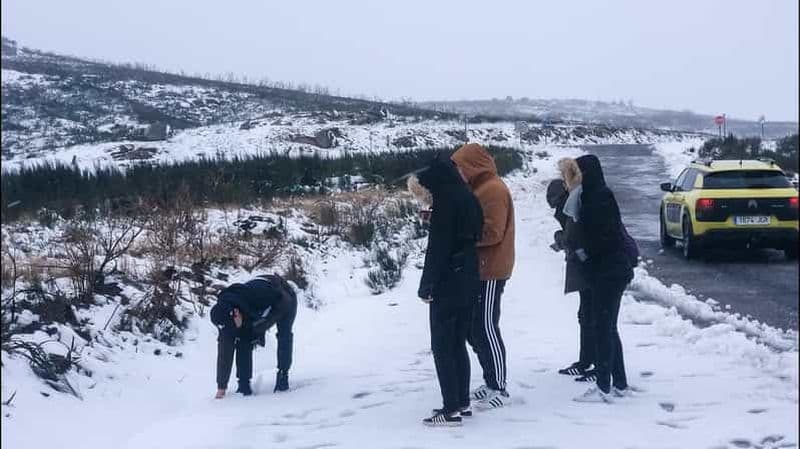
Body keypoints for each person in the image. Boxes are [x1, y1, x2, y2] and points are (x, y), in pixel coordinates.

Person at [408, 153, 483, 427]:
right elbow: (469, 234)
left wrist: (426, 285)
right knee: (458, 343)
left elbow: (437, 250)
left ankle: (450, 408)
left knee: (443, 346)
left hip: (448, 281)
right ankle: (462, 402)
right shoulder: (467, 196)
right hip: (470, 276)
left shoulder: (445, 202)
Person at [451, 143, 515, 409]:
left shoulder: (493, 190)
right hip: (480, 267)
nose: (458, 173)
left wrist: (459, 233)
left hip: (490, 269)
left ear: (472, 165)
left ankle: (499, 386)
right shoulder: (479, 188)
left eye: (460, 167)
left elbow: (492, 232)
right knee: (474, 328)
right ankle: (491, 381)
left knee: (486, 327)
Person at [567, 154, 634, 403]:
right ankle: (619, 383)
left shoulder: (599, 197)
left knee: (603, 327)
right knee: (607, 326)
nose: (575, 177)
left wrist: (585, 252)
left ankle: (604, 386)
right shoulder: (593, 194)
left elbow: (604, 237)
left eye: (578, 172)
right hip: (607, 270)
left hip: (609, 271)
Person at [546, 160, 596, 383]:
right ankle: (588, 362)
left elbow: (575, 234)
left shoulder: (578, 201)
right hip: (586, 265)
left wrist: (562, 240)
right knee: (587, 315)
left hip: (591, 266)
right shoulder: (574, 200)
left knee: (593, 317)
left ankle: (597, 365)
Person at [210, 274, 298, 398]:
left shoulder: (260, 296)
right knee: (243, 335)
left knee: (283, 334)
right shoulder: (223, 312)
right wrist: (221, 387)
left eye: (233, 326)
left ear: (236, 313)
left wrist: (258, 330)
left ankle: (283, 375)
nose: (232, 329)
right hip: (250, 305)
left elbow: (281, 307)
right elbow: (225, 348)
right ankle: (243, 384)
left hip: (283, 296)